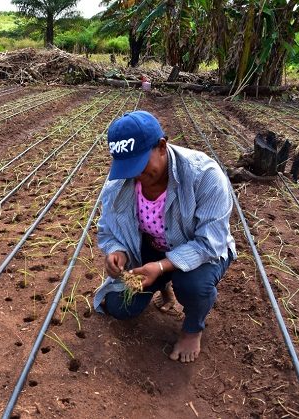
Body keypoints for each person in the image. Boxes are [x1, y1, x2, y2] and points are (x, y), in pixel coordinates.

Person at [94, 110, 236, 363]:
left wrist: (162, 266)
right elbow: (108, 229)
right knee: (118, 306)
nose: (135, 175)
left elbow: (209, 242)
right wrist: (117, 250)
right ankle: (164, 283)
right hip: (152, 247)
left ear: (161, 146)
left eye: (140, 166)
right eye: (127, 168)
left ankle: (193, 329)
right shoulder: (119, 182)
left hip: (201, 251)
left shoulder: (204, 176)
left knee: (193, 286)